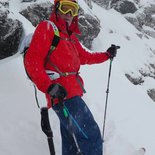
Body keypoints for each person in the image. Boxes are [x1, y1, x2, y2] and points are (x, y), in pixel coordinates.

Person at [24, 0, 118, 154]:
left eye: (73, 10)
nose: (68, 14)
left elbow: (85, 57)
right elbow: (32, 61)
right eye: (65, 8)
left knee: (70, 140)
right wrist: (49, 87)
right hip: (62, 96)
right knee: (91, 135)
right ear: (56, 9)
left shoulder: (70, 37)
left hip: (72, 94)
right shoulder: (47, 28)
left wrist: (106, 55)